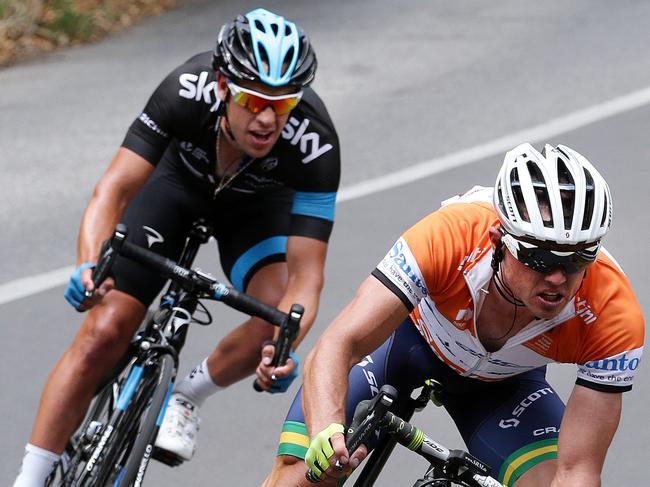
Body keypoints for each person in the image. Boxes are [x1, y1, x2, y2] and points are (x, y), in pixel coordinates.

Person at [13, 8, 340, 486]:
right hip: (176, 187)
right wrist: (89, 263)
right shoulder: (185, 88)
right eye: (253, 99)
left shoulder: (316, 142)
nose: (268, 118)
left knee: (274, 311)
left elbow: (307, 278)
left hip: (256, 210)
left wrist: (284, 346)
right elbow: (114, 190)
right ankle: (31, 477)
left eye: (283, 103)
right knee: (104, 331)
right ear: (224, 85)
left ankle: (188, 394)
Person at [262, 143, 644, 487]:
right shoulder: (450, 236)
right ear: (499, 241)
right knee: (302, 479)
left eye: (578, 259)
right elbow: (340, 342)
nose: (558, 278)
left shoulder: (612, 313)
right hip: (408, 346)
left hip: (505, 385)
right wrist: (326, 428)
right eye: (539, 257)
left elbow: (578, 472)